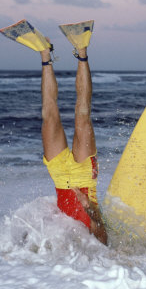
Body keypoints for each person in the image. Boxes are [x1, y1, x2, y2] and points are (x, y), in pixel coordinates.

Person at [38, 26, 107, 245]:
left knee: (49, 115)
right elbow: (103, 238)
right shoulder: (92, 242)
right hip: (84, 177)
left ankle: (45, 54)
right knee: (83, 115)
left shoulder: (63, 239)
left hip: (59, 177)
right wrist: (89, 208)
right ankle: (82, 50)